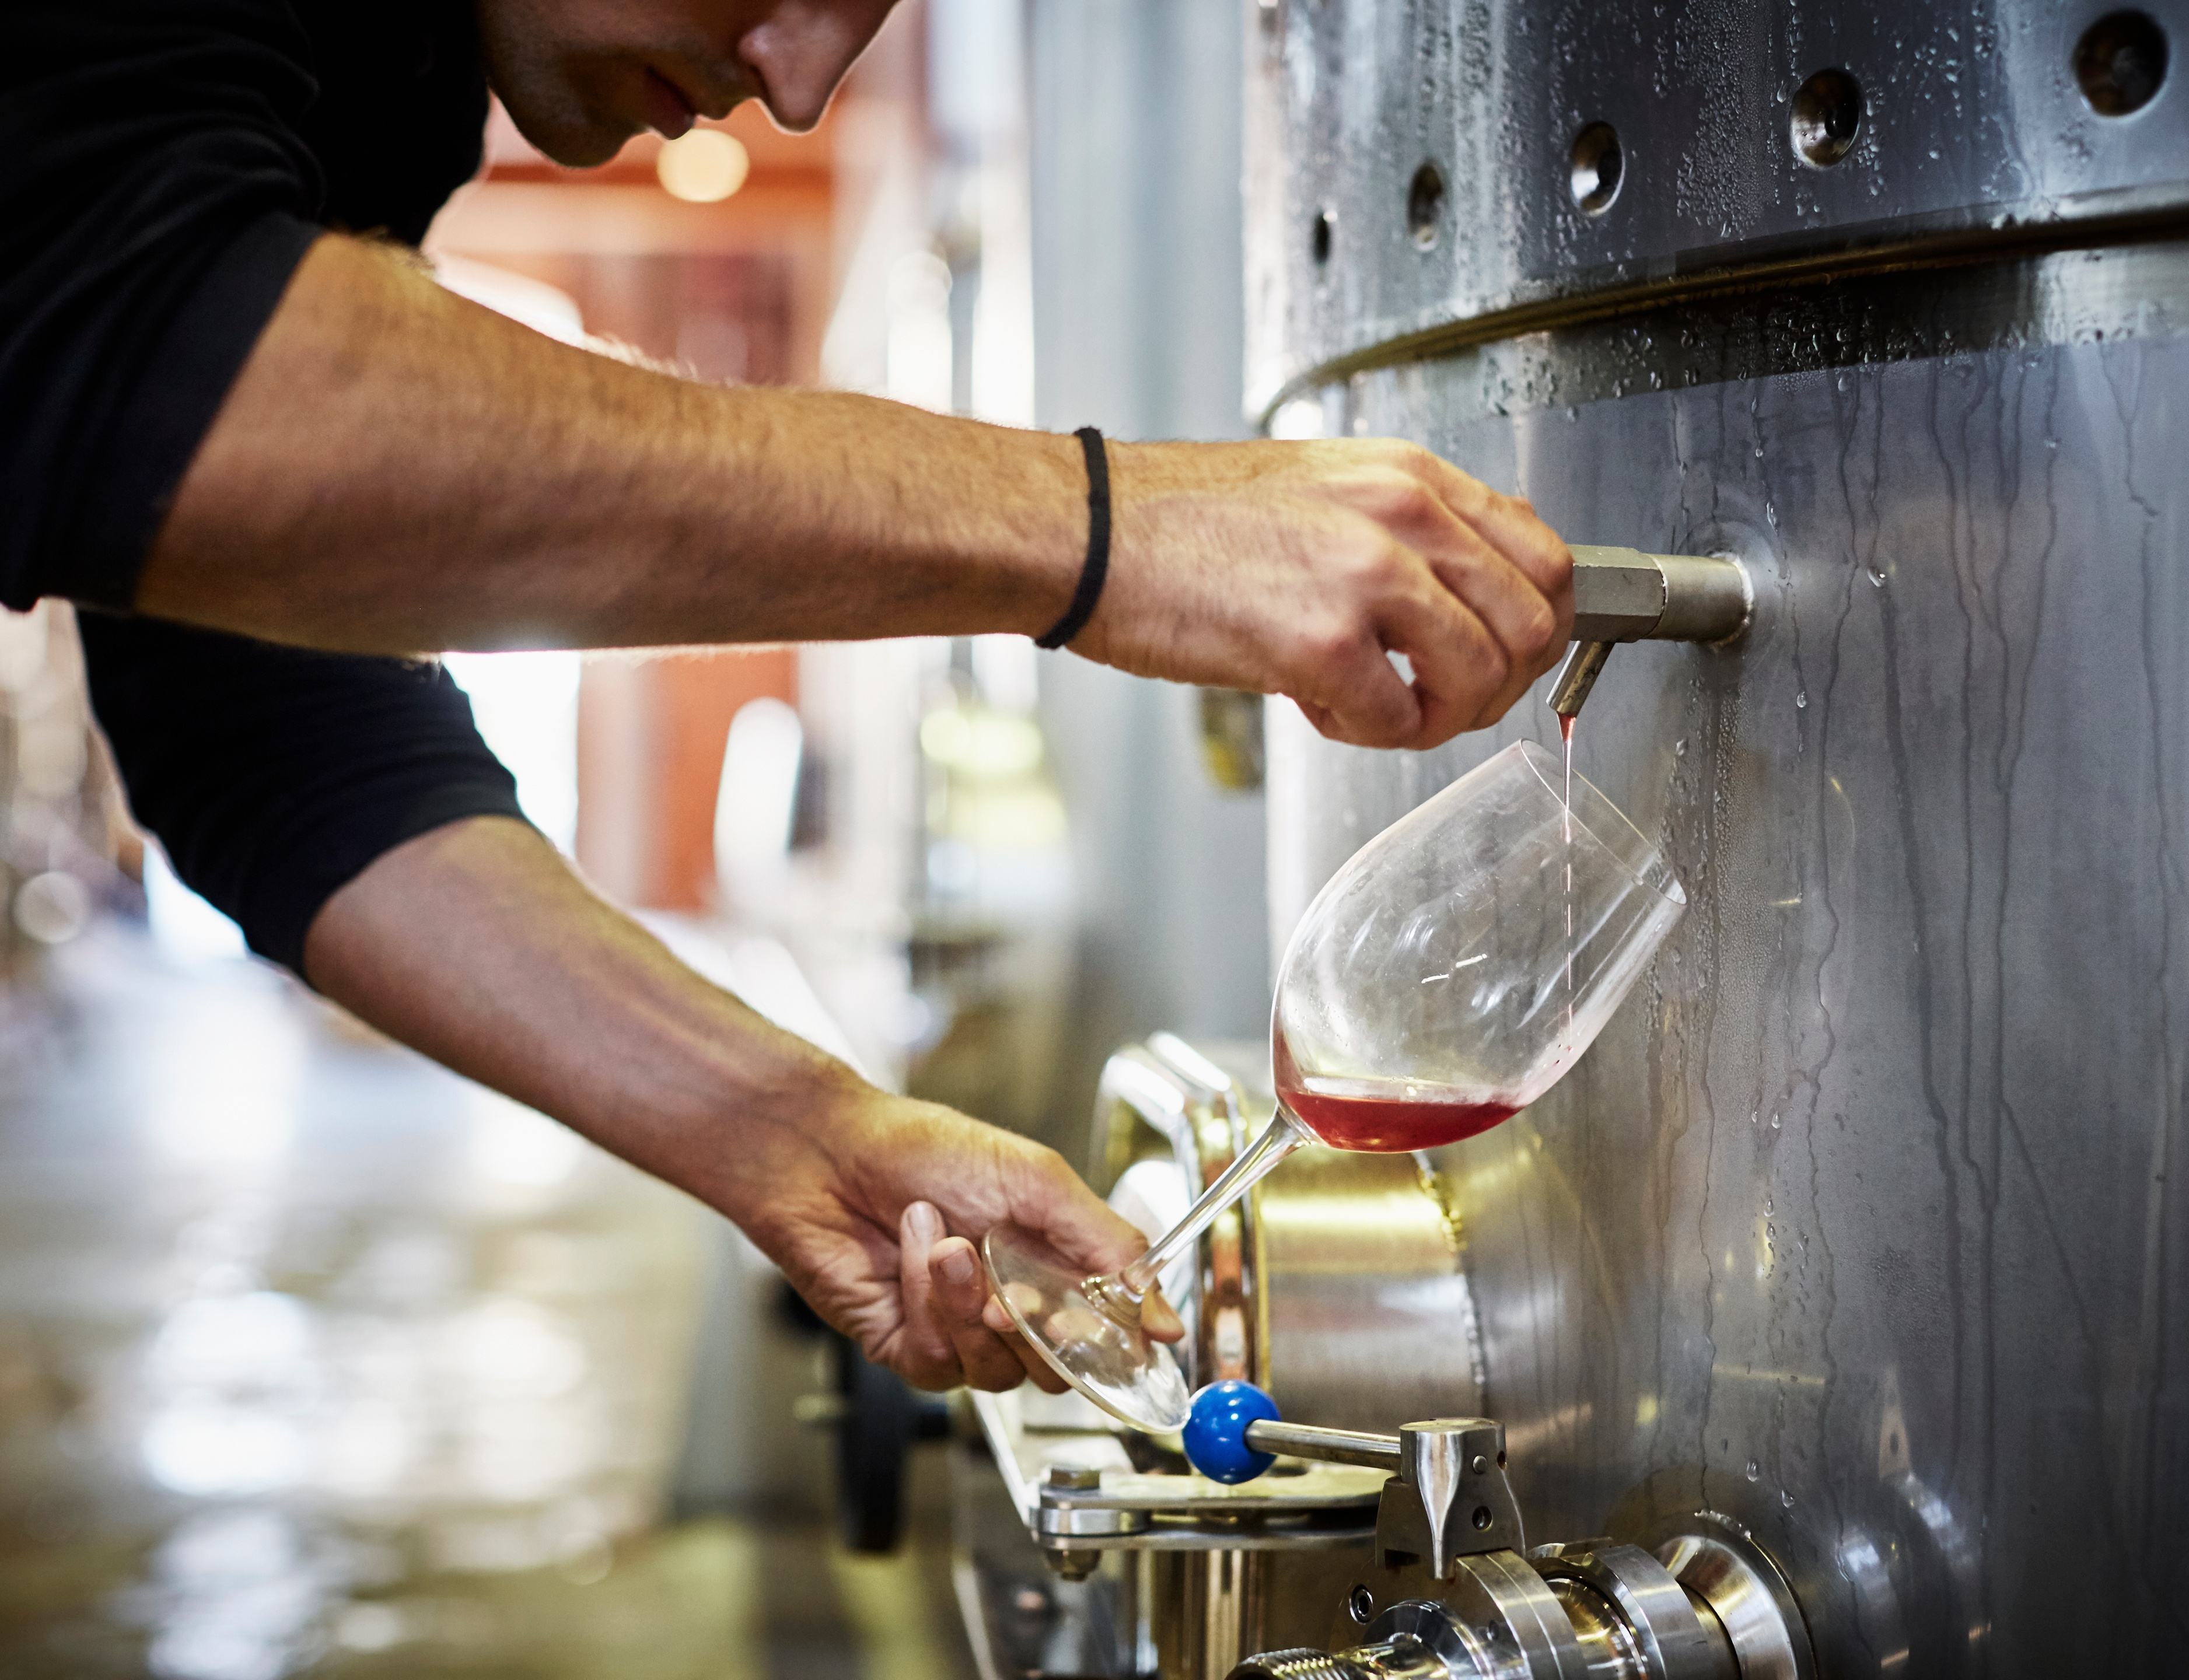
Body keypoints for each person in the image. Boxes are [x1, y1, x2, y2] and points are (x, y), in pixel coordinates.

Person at [3, 0, 1574, 1398]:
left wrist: (794, 1132)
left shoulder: (376, 84)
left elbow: (264, 721)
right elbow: (133, 358)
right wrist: (1100, 529)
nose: (807, 86)